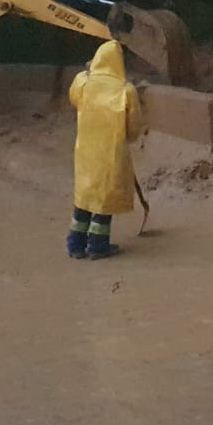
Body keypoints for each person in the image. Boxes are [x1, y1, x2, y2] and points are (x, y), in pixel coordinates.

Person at [65, 40, 144, 260]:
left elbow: (73, 97)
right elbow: (135, 127)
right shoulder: (126, 90)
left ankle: (75, 244)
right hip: (111, 153)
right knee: (104, 200)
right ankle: (98, 246)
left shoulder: (82, 83)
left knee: (85, 196)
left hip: (85, 152)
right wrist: (127, 138)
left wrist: (88, 70)